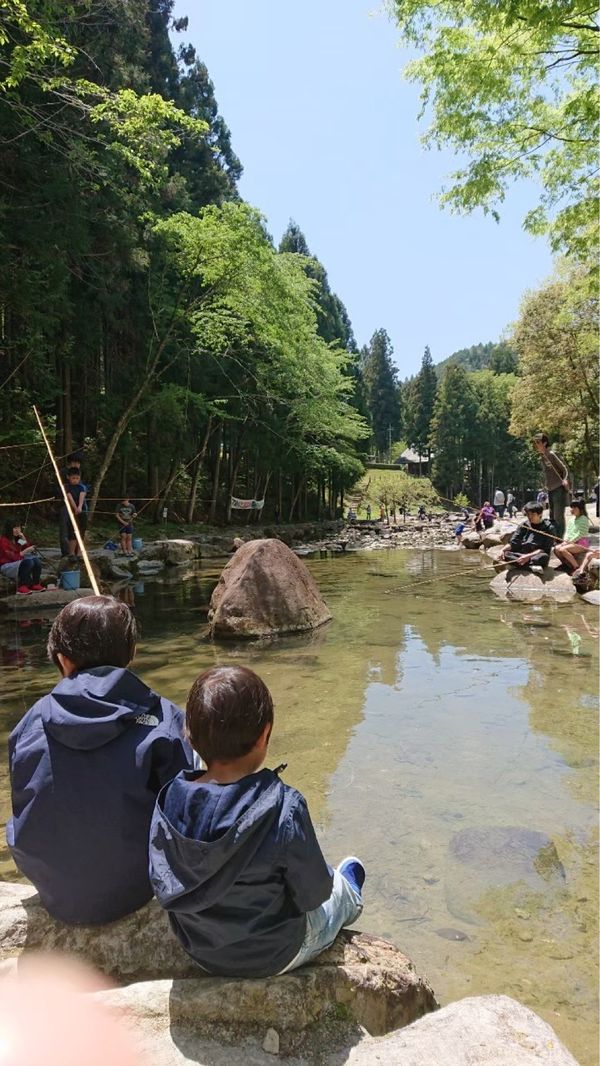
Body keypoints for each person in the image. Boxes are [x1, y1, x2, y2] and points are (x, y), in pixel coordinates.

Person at [149, 665, 365, 979]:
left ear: (189, 737)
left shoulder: (169, 800)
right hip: (274, 954)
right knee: (339, 893)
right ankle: (352, 894)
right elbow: (314, 894)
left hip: (200, 950)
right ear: (264, 735)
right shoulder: (284, 807)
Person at [7, 595, 193, 925]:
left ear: (62, 660)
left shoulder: (29, 723)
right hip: (134, 887)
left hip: (54, 887)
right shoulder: (163, 718)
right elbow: (187, 813)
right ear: (132, 653)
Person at [500, 501, 557, 574]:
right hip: (521, 554)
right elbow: (514, 542)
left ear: (540, 514)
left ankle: (517, 564)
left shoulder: (549, 528)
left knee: (543, 557)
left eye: (533, 514)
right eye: (528, 514)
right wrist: (502, 550)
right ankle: (529, 567)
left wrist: (528, 556)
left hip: (535, 555)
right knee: (506, 554)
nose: (530, 517)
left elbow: (544, 549)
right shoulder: (524, 525)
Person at [532, 433, 570, 539]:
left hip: (558, 488)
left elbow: (565, 469)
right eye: (535, 443)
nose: (536, 445)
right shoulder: (542, 458)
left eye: (538, 442)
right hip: (550, 489)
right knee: (551, 515)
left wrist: (565, 479)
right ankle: (554, 537)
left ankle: (559, 538)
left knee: (558, 515)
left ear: (544, 443)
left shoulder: (552, 454)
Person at [0, 520, 44, 595]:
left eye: (19, 527)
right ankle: (22, 586)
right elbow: (12, 557)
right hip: (6, 566)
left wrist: (23, 538)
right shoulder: (3, 541)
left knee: (36, 560)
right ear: (9, 529)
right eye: (15, 528)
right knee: (28, 562)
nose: (17, 530)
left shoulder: (17, 540)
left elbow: (25, 547)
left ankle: (35, 583)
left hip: (18, 562)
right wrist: (25, 551)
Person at [553, 499, 591, 575]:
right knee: (556, 549)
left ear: (580, 509)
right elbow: (567, 532)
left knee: (563, 549)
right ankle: (566, 565)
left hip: (581, 543)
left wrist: (569, 542)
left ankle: (576, 567)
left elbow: (580, 534)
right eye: (571, 507)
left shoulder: (584, 519)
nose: (572, 510)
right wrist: (565, 541)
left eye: (574, 508)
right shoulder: (571, 520)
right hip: (570, 542)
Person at [60, 467, 87, 556]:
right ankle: (71, 553)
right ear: (68, 477)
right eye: (73, 478)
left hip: (82, 511)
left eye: (77, 478)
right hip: (72, 512)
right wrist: (75, 508)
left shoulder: (82, 487)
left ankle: (79, 553)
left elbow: (82, 496)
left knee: (81, 532)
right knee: (72, 532)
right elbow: (70, 498)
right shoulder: (66, 487)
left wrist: (79, 507)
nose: (75, 480)